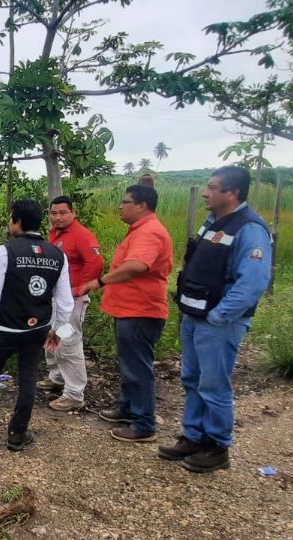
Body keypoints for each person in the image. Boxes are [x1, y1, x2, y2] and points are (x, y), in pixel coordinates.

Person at [159, 166, 272, 473]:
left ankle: (217, 446)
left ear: (232, 193)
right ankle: (193, 437)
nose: (205, 193)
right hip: (194, 316)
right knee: (192, 380)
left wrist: (218, 316)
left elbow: (252, 282)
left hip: (218, 323)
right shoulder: (212, 223)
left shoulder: (249, 229)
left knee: (214, 385)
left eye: (212, 187)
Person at [0, 200, 74, 451]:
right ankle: (17, 433)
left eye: (11, 218)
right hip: (38, 329)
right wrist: (58, 330)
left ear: (19, 222)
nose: (10, 222)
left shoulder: (6, 251)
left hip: (5, 327)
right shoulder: (58, 255)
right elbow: (66, 302)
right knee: (28, 378)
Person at [77, 185, 173, 443]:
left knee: (138, 367)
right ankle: (129, 408)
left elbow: (136, 266)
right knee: (129, 363)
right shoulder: (139, 231)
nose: (120, 206)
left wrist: (99, 282)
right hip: (128, 309)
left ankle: (144, 424)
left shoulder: (150, 232)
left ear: (141, 205)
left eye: (125, 201)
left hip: (141, 310)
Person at [41, 196, 104, 411]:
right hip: (54, 297)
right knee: (52, 336)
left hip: (72, 299)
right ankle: (56, 377)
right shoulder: (55, 234)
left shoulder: (81, 235)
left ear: (73, 212)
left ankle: (74, 393)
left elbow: (96, 262)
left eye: (62, 213)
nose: (57, 217)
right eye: (54, 213)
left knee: (68, 341)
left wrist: (82, 287)